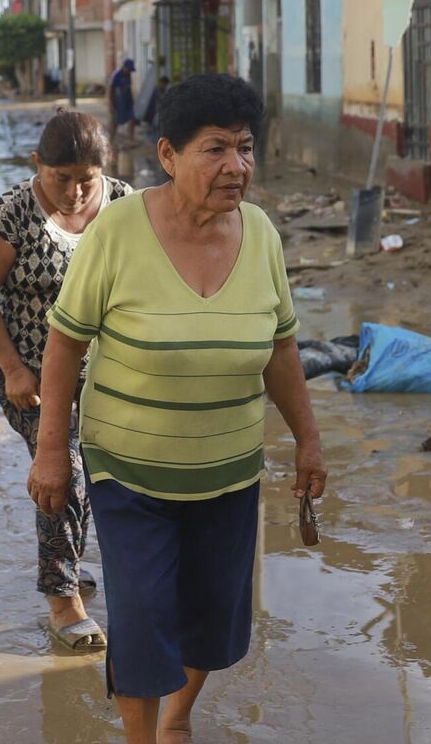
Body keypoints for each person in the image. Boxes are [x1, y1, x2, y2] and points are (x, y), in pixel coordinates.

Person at [28, 73, 325, 743]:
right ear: (168, 154)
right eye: (215, 148)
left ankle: (179, 717)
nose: (236, 166)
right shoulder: (118, 232)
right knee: (139, 611)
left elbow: (281, 348)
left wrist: (308, 438)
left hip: (228, 468)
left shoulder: (263, 235)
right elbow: (65, 339)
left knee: (212, 615)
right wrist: (53, 449)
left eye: (245, 148)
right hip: (129, 469)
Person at [0, 110, 134, 654]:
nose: (76, 192)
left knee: (103, 479)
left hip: (110, 381)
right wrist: (13, 367)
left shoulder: (127, 208)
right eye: (61, 178)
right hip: (34, 382)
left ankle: (71, 561)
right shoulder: (10, 216)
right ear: (38, 165)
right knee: (65, 473)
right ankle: (63, 599)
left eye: (87, 178)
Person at [108, 59, 138, 145]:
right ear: (124, 67)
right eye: (129, 70)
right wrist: (111, 104)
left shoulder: (128, 76)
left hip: (127, 102)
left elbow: (129, 89)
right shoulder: (116, 75)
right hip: (117, 103)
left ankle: (131, 139)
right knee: (114, 123)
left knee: (132, 119)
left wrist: (132, 101)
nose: (129, 72)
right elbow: (110, 90)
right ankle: (111, 140)